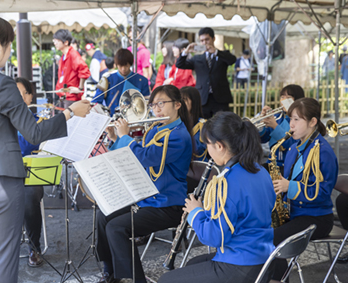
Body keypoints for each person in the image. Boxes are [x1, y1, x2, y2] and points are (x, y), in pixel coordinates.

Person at [0, 14, 91, 283]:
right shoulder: (3, 84)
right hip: (1, 181)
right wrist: (69, 113)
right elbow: (35, 132)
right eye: (8, 46)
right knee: (4, 256)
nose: (9, 52)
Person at [158, 111, 276, 283]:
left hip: (240, 266)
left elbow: (213, 237)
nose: (207, 150)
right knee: (192, 264)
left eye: (208, 145)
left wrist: (195, 212)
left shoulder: (227, 182)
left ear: (220, 146)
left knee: (165, 280)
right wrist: (205, 211)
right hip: (264, 259)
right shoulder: (259, 170)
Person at [97, 85, 193, 283]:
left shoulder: (178, 136)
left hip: (168, 204)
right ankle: (110, 272)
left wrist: (125, 137)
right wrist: (115, 138)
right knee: (104, 214)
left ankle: (135, 280)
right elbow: (133, 158)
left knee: (116, 228)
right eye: (153, 105)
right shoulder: (156, 130)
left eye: (161, 104)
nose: (156, 109)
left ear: (177, 105)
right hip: (147, 196)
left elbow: (146, 157)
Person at [271, 97, 338, 282]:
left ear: (312, 122)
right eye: (290, 119)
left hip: (317, 217)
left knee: (273, 239)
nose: (290, 125)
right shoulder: (294, 149)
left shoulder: (323, 151)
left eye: (296, 120)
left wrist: (289, 186)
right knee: (259, 231)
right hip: (296, 214)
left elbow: (323, 192)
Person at [15, 77, 44, 268]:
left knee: (29, 195)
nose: (18, 98)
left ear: (30, 96)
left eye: (22, 93)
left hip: (30, 176)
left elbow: (30, 144)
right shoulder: (1, 120)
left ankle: (34, 247)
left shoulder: (38, 122)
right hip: (5, 175)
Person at [176, 27, 236, 119]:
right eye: (202, 41)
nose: (204, 43)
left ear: (213, 38)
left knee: (223, 125)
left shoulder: (222, 55)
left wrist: (216, 52)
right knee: (203, 125)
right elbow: (180, 64)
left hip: (220, 97)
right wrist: (186, 52)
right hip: (203, 98)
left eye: (207, 39)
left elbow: (232, 60)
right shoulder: (197, 58)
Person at [260, 84, 305, 174]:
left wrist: (275, 126)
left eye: (288, 98)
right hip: (273, 163)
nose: (284, 100)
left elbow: (293, 144)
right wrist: (261, 124)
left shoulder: (302, 120)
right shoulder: (277, 116)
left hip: (292, 165)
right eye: (282, 97)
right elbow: (263, 139)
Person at [92, 48, 150, 115]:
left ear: (130, 64)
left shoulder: (142, 81)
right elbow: (95, 103)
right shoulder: (108, 80)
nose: (123, 69)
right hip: (112, 121)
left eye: (126, 65)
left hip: (135, 122)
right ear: (116, 64)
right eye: (120, 65)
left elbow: (146, 105)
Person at [53, 29, 91, 108]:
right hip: (64, 95)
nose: (54, 43)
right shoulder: (63, 56)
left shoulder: (73, 54)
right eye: (54, 40)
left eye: (57, 41)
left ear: (66, 42)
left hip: (71, 97)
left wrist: (80, 88)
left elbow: (84, 70)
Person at [180, 86, 207, 161]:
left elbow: (196, 147)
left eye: (184, 99)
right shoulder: (176, 122)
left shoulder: (203, 125)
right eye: (179, 99)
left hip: (198, 167)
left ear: (194, 101)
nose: (180, 103)